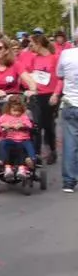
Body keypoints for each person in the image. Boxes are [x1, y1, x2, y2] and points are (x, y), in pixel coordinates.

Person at [19, 31, 59, 163]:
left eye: (32, 43)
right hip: (37, 95)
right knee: (36, 125)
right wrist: (28, 87)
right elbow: (27, 74)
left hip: (50, 95)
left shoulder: (54, 58)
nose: (30, 45)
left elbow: (60, 78)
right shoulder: (34, 58)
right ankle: (35, 155)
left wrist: (56, 94)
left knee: (48, 125)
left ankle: (52, 150)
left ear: (39, 43)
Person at [54, 40, 78, 191]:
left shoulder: (66, 54)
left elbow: (59, 74)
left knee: (70, 144)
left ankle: (69, 181)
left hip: (70, 102)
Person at [0, 94, 36, 177]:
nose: (16, 113)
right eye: (14, 111)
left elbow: (29, 125)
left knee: (28, 145)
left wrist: (22, 125)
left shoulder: (23, 116)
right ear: (9, 109)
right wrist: (4, 125)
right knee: (3, 143)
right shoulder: (5, 116)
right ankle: (4, 162)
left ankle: (31, 160)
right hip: (10, 138)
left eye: (18, 111)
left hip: (23, 139)